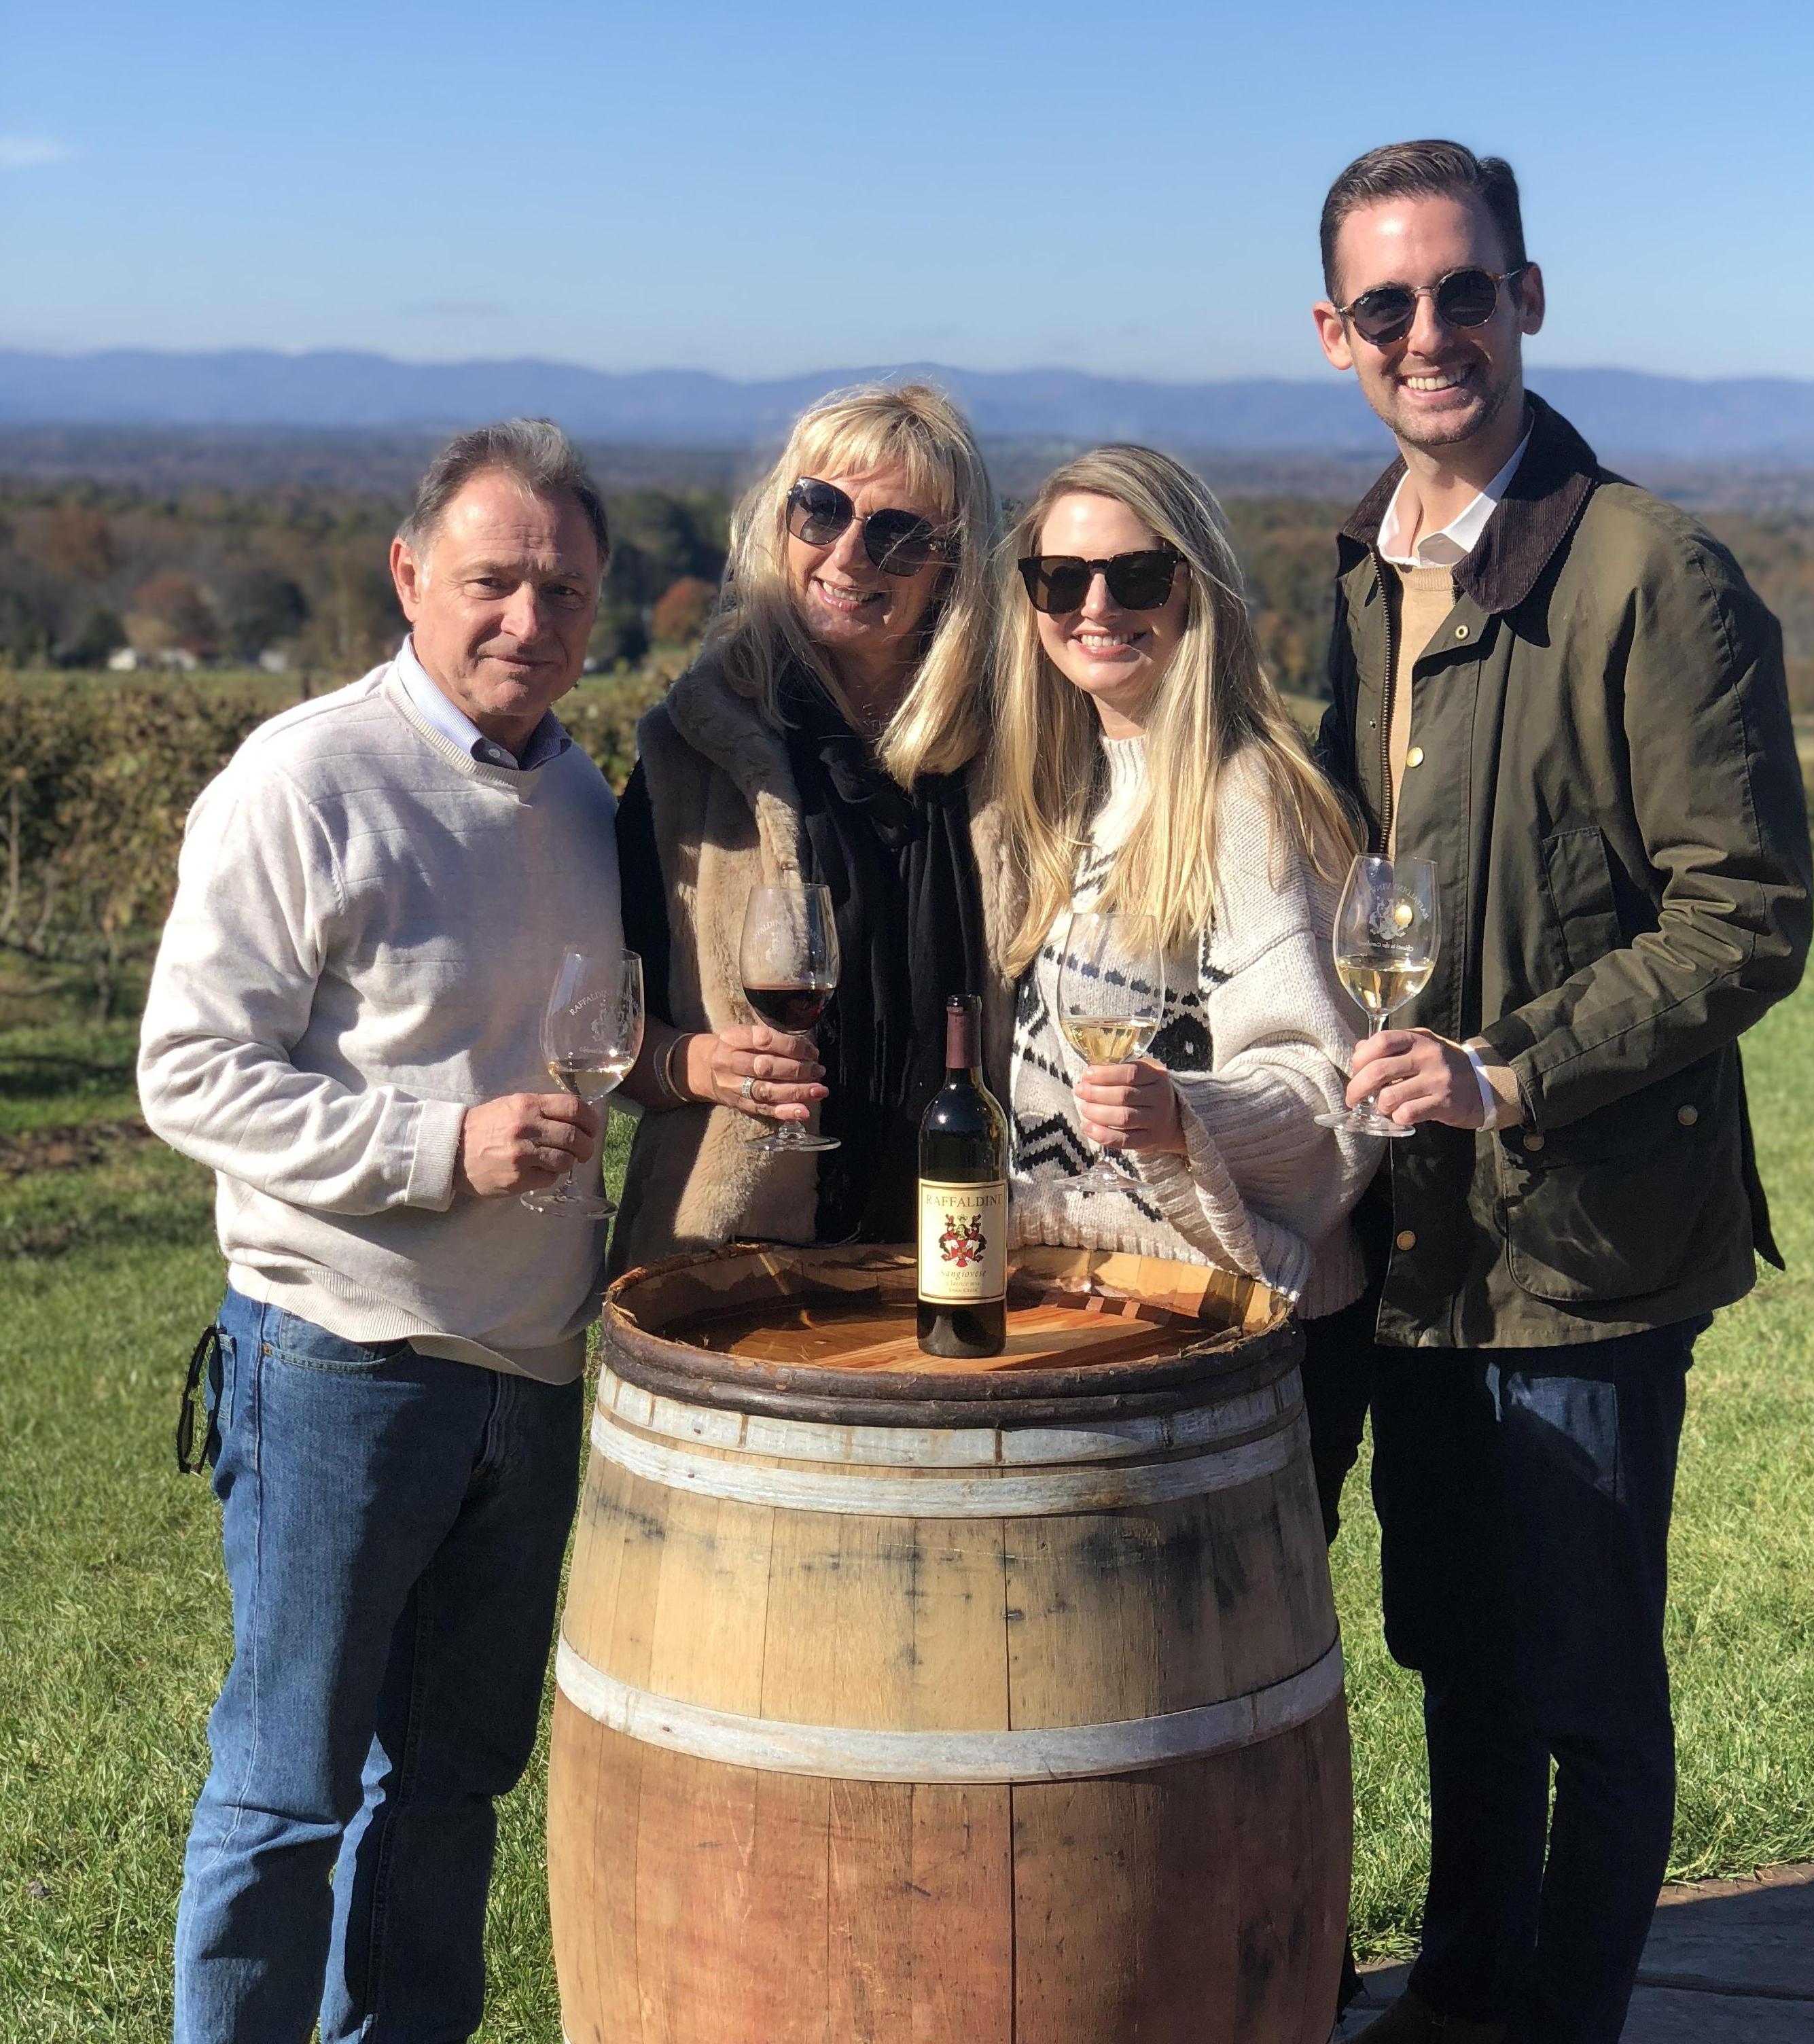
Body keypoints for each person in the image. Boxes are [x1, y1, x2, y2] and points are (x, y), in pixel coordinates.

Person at [1302, 141, 1814, 2042]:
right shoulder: (1361, 572)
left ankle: (1563, 2018)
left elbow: (1746, 914)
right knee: (1459, 1659)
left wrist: (1509, 1072)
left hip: (1586, 1235)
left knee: (1587, 1691)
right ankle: (1462, 1999)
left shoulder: (1650, 573)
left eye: (1464, 290)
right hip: (1420, 1237)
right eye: (1387, 303)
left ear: (1526, 297)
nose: (1428, 333)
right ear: (1335, 333)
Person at [139, 420, 624, 2040]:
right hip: (340, 1358)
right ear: (409, 575)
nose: (528, 620)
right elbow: (188, 1071)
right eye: (493, 581)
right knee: (286, 1788)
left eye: (563, 591)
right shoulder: (307, 778)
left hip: (529, 1369)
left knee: (449, 1788)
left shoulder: (584, 800)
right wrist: (436, 1145)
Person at [610, 382, 1007, 1263]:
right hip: (737, 1263)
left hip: (971, 1244)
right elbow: (597, 1022)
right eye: (820, 509)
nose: (849, 553)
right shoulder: (694, 752)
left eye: (897, 533)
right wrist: (696, 1066)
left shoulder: (1011, 758)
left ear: (952, 564)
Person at [991, 443, 1374, 1324]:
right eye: (1061, 579)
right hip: (1084, 1295)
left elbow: (1326, 1087)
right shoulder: (1059, 793)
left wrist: (1184, 1118)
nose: (1096, 607)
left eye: (1136, 575)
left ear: (1194, 589)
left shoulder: (1249, 799)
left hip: (1224, 1322)